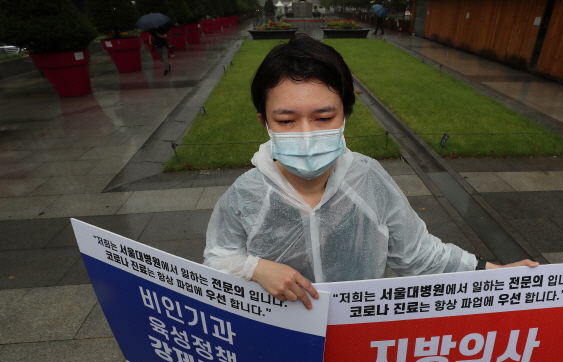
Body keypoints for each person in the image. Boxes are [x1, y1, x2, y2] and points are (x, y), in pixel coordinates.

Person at [203, 34, 537, 310]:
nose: (306, 134)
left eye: (323, 118)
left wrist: (494, 272)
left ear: (344, 115)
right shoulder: (247, 194)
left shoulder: (368, 179)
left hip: (357, 334)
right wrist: (255, 267)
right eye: (286, 121)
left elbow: (418, 254)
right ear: (264, 121)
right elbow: (216, 262)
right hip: (279, 338)